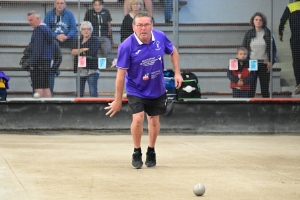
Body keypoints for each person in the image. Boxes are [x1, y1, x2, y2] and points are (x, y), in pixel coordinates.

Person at [105, 11, 183, 169]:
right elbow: (120, 76)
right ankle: (136, 151)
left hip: (157, 87)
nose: (143, 28)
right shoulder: (126, 46)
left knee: (154, 120)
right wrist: (118, 99)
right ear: (134, 27)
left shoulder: (160, 37)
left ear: (152, 26)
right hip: (136, 88)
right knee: (139, 118)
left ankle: (151, 150)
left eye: (146, 24)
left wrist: (177, 72)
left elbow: (173, 51)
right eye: (139, 25)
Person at [242, 12, 277, 98]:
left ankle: (267, 109)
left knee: (265, 89)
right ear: (253, 21)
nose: (258, 21)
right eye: (256, 20)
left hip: (264, 63)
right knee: (251, 89)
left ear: (263, 22)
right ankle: (250, 109)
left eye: (260, 20)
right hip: (252, 63)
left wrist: (271, 62)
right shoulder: (248, 33)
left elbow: (274, 49)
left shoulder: (268, 33)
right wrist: (245, 64)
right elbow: (244, 49)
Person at [28, 11, 54, 98]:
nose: (30, 22)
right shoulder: (47, 28)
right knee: (46, 87)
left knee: (38, 87)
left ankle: (41, 110)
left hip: (39, 63)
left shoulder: (38, 30)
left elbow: (37, 48)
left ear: (38, 19)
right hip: (47, 62)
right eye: (29, 20)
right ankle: (50, 109)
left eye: (31, 20)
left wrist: (32, 64)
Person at [71, 21, 100, 97]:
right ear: (81, 30)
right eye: (84, 29)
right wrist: (83, 49)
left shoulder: (95, 40)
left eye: (88, 29)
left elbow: (91, 52)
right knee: (79, 93)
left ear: (91, 30)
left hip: (92, 69)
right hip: (80, 69)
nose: (86, 31)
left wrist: (78, 51)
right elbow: (73, 52)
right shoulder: (78, 40)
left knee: (93, 92)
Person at [278, 0, 300, 95]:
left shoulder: (291, 6)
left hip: (296, 38)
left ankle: (299, 84)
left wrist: (280, 33)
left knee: (297, 60)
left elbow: (283, 20)